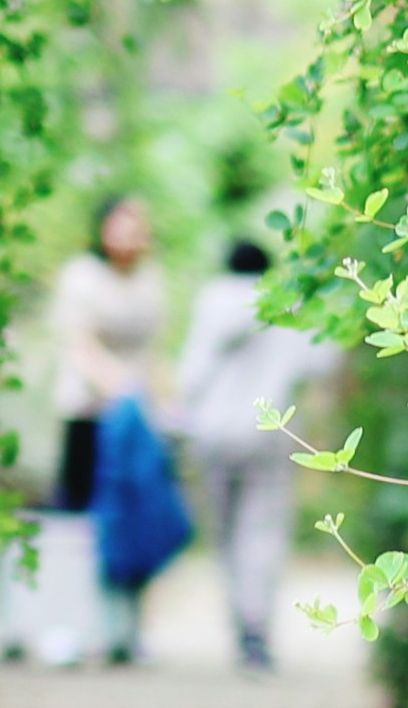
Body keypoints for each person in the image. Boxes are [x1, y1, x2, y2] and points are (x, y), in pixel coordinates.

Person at [175, 237, 340, 672]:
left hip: (210, 433)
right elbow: (322, 361)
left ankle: (237, 619)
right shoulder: (286, 305)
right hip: (270, 430)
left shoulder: (212, 300)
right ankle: (256, 629)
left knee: (225, 531)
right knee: (262, 529)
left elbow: (191, 373)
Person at [22, 196, 168, 666]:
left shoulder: (149, 281)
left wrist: (164, 400)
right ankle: (63, 627)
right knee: (77, 521)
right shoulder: (82, 277)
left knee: (136, 519)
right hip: (88, 414)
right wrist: (122, 387)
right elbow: (80, 346)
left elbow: (155, 351)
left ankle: (124, 630)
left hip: (136, 422)